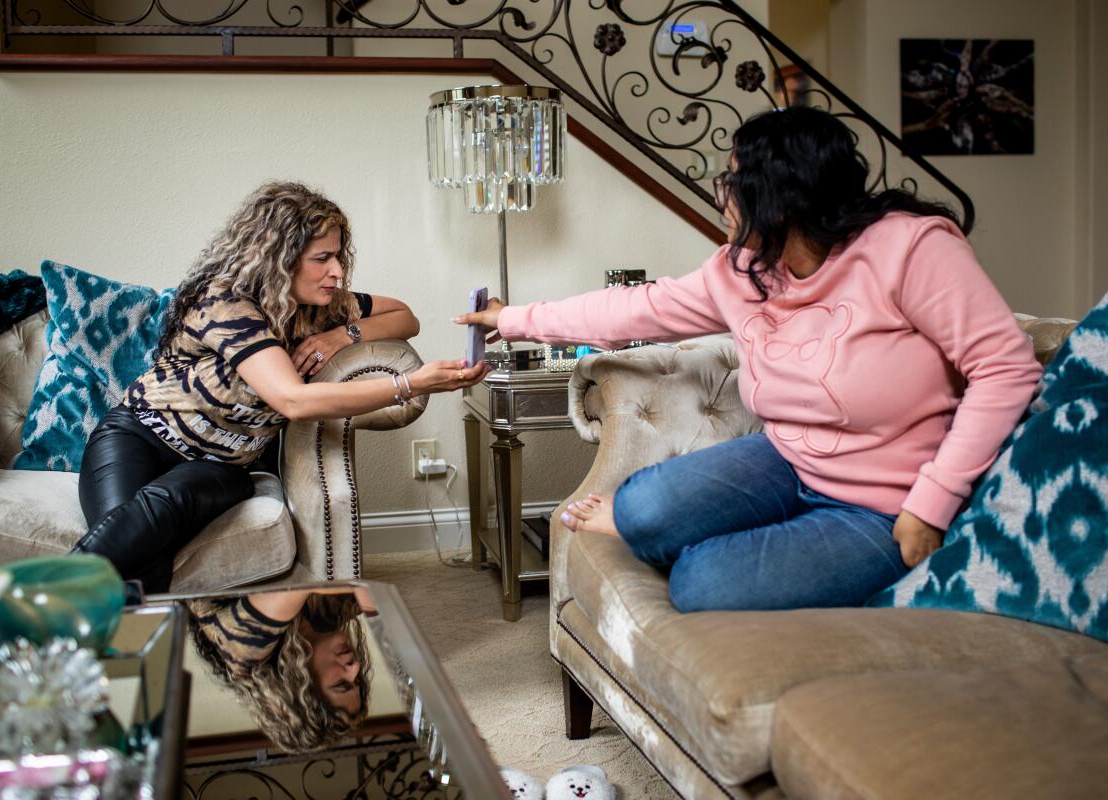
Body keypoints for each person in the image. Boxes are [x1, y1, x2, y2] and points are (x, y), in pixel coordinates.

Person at [456, 106, 1041, 613]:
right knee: (642, 504)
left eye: (732, 179)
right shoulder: (740, 270)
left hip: (880, 505)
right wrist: (511, 319)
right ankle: (700, 528)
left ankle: (789, 548)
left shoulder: (911, 249)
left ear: (781, 191)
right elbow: (632, 311)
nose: (721, 194)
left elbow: (1007, 369)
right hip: (785, 461)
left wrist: (932, 505)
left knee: (701, 583)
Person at [73, 182, 490, 592]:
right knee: (133, 556)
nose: (338, 271)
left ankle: (38, 607)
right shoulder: (224, 302)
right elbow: (292, 400)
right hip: (138, 436)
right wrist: (410, 384)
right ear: (279, 258)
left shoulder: (322, 306)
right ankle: (47, 605)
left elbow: (405, 316)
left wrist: (341, 336)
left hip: (221, 468)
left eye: (339, 256)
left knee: (166, 507)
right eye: (322, 258)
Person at [185, 587, 373, 749]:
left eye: (341, 684)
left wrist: (367, 594)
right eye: (356, 680)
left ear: (299, 686)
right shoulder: (324, 620)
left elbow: (305, 580)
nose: (354, 667)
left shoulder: (246, 653)